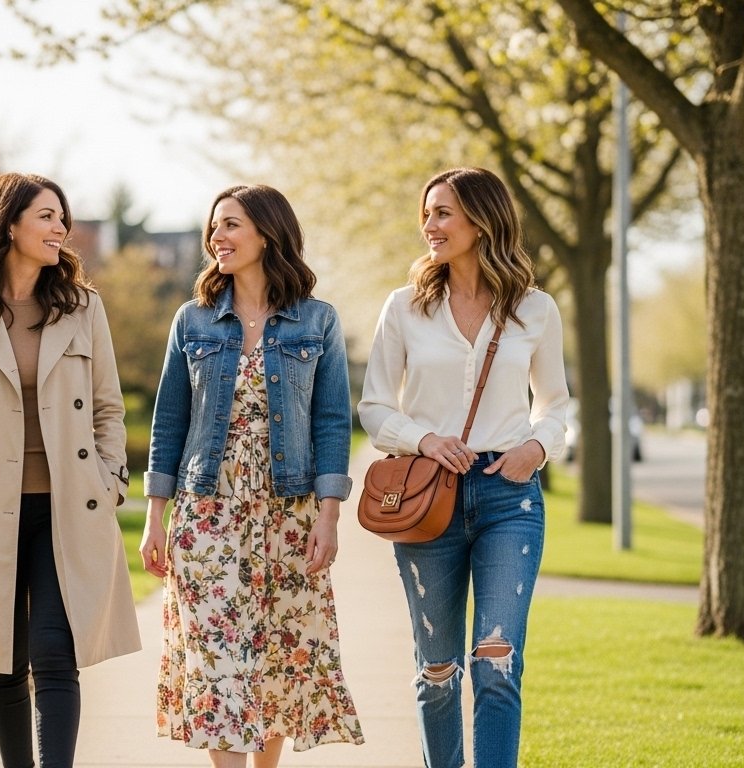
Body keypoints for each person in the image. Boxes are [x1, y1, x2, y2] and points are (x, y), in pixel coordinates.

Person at [0, 172, 140, 768]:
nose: (60, 228)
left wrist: (110, 476)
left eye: (62, 217)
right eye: (46, 216)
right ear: (7, 223)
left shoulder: (82, 307)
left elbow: (108, 407)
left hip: (67, 503)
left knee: (54, 653)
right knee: (4, 658)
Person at [140, 184, 364, 767]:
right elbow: (169, 421)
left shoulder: (317, 321)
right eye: (214, 226)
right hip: (207, 511)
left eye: (232, 224)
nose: (218, 237)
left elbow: (333, 422)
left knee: (275, 659)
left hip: (288, 514)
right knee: (217, 658)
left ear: (268, 233)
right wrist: (154, 517)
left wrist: (329, 516)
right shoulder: (192, 321)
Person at [358, 167, 569, 768]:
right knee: (438, 669)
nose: (430, 225)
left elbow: (556, 402)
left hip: (510, 499)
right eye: (426, 213)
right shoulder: (405, 308)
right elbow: (373, 405)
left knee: (496, 662)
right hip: (429, 503)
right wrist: (423, 440)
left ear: (482, 219)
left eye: (443, 212)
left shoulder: (535, 309)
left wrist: (538, 446)